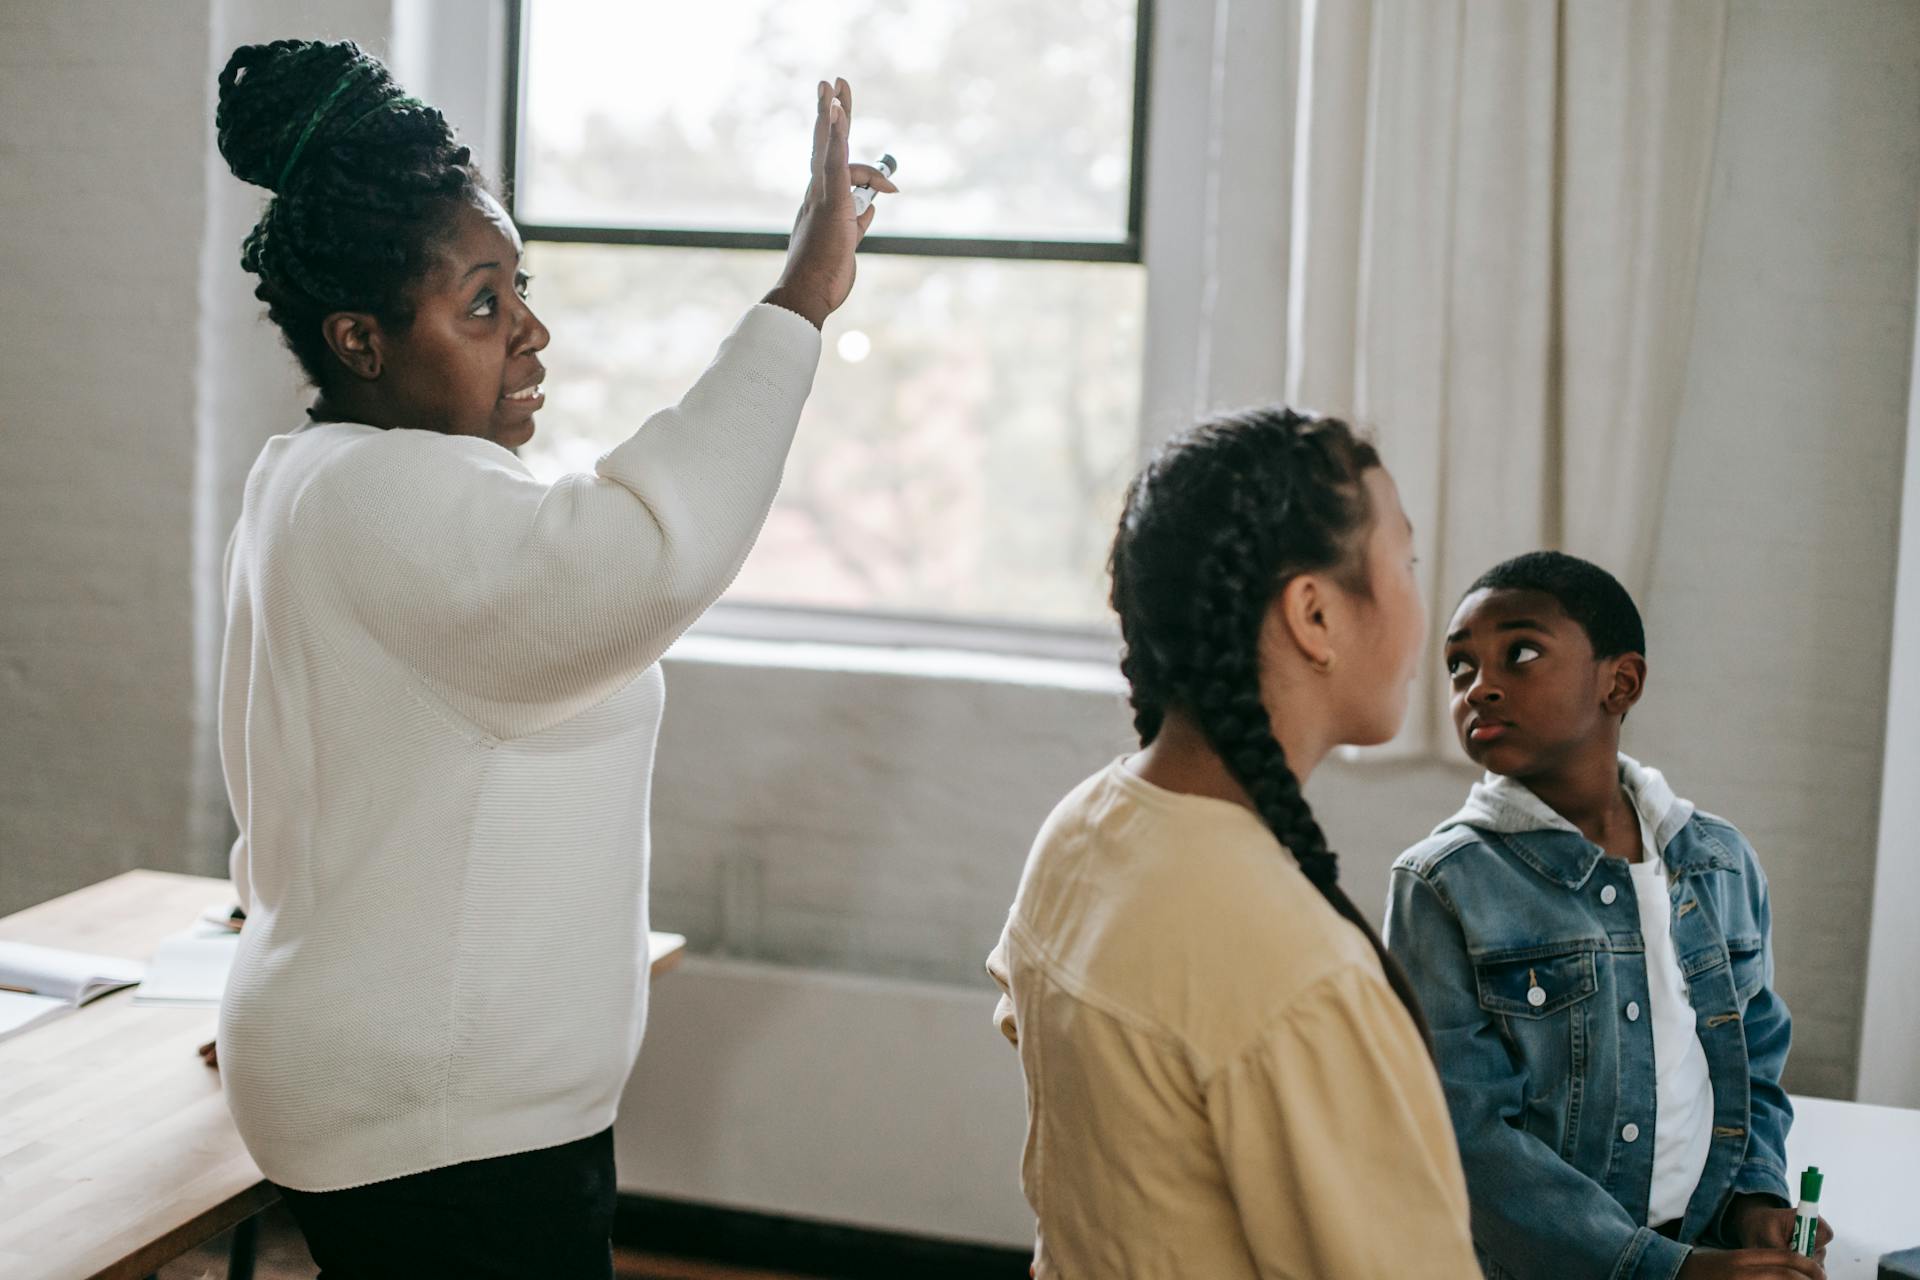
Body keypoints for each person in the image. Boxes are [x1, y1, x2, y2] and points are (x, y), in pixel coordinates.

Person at [207, 38, 892, 1278]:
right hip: (437, 1126)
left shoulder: (310, 479)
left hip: (407, 1096)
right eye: (481, 303)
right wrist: (799, 298)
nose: (531, 332)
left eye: (519, 286)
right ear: (361, 340)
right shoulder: (388, 496)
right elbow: (638, 559)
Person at [986, 408, 1480, 1278]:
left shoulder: (1081, 831)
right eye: (1405, 562)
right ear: (1315, 614)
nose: (1425, 610)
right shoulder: (1301, 975)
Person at [1386, 552, 1832, 1280]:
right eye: (1459, 668)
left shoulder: (1719, 862)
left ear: (1619, 683)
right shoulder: (1441, 885)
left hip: (1699, 1246)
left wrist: (1755, 1201)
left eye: (1520, 653)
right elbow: (1462, 1134)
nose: (1481, 687)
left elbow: (1750, 1061)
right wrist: (1668, 1271)